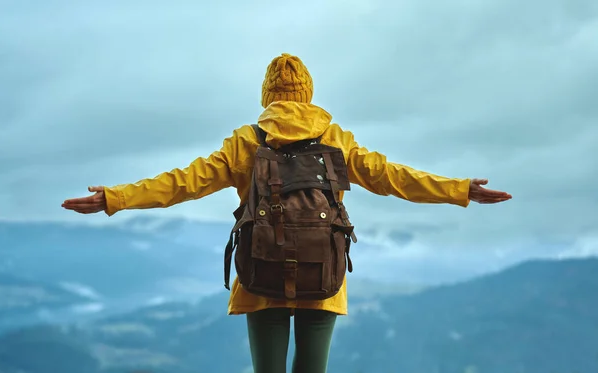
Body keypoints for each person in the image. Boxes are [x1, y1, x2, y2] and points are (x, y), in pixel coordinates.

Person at [62, 53, 512, 373]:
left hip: (261, 274)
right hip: (324, 275)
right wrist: (458, 190)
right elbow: (393, 176)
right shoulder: (336, 139)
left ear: (268, 97)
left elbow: (184, 181)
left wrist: (116, 197)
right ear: (309, 95)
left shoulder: (246, 142)